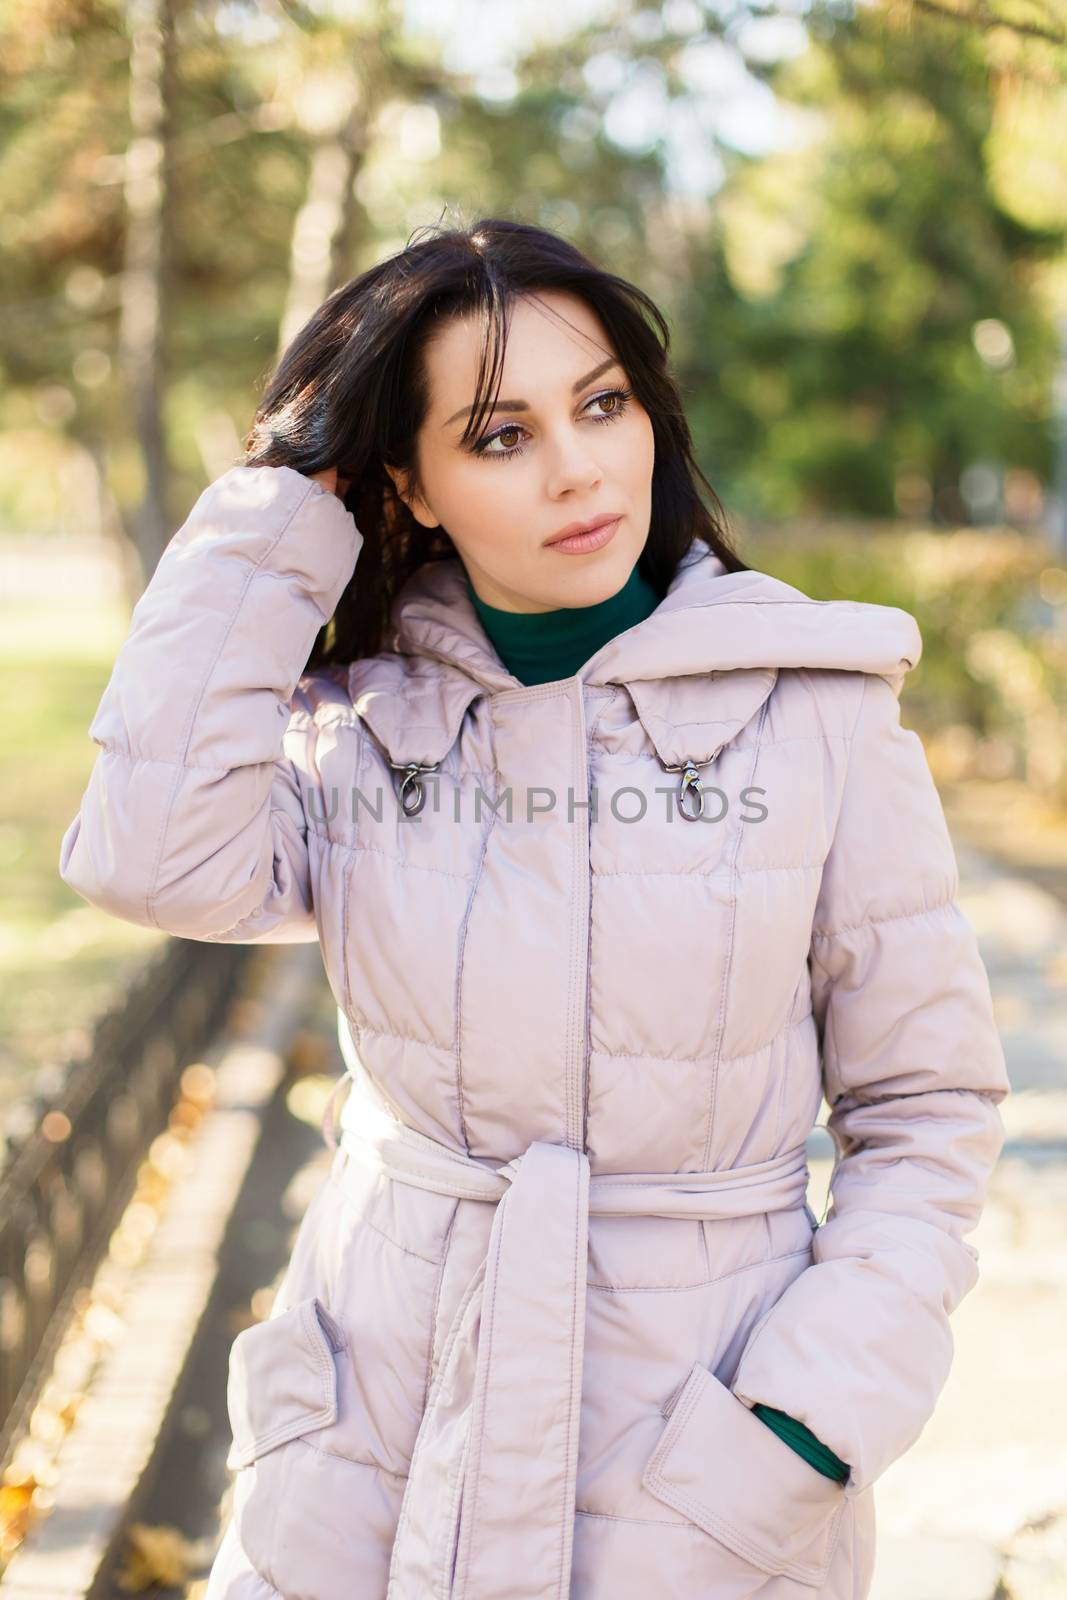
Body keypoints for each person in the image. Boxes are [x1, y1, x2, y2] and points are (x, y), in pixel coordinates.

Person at [58, 216, 1010, 1600]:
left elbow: (928, 1117)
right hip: (375, 1440)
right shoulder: (360, 730)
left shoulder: (819, 718)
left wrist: (807, 1417)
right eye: (499, 436)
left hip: (699, 1460)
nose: (577, 470)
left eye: (603, 405)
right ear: (409, 484)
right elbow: (144, 860)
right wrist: (282, 492)